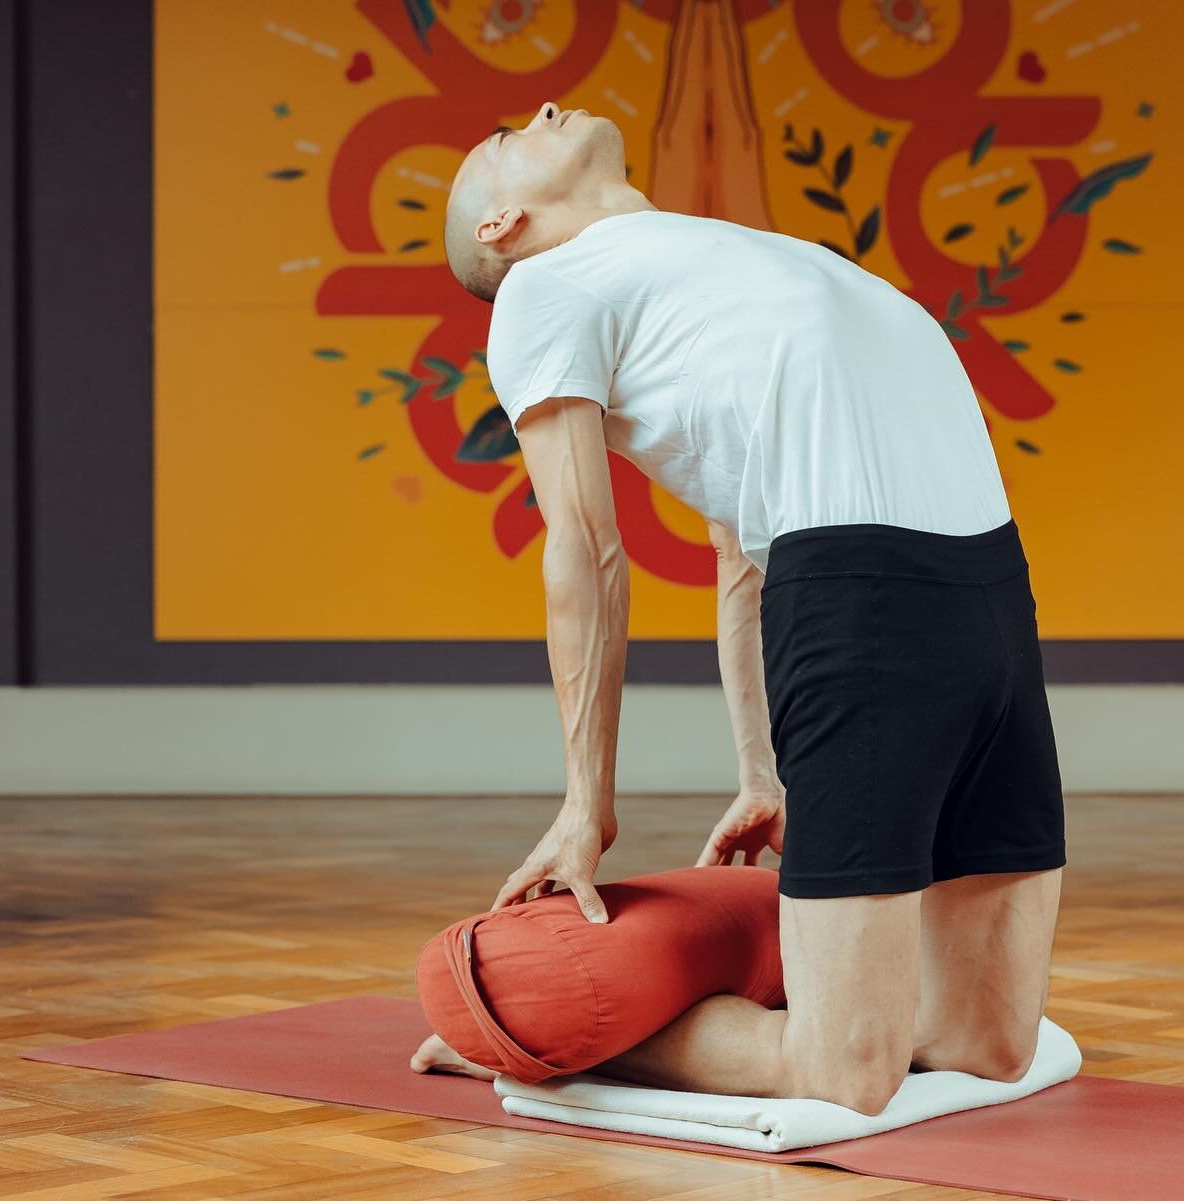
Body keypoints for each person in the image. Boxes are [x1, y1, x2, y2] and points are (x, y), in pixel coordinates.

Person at [436, 96, 1066, 1116]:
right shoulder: (545, 288)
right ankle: (544, 1027)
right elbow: (587, 549)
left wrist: (762, 769)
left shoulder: (710, 255)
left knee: (989, 1044)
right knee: (843, 1075)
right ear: (499, 227)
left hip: (989, 596)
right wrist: (586, 805)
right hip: (862, 598)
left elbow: (738, 544)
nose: (543, 108)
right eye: (506, 135)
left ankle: (632, 1015)